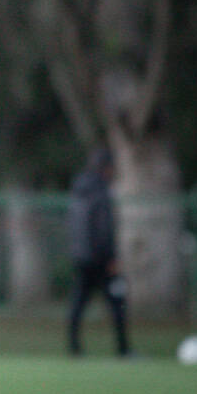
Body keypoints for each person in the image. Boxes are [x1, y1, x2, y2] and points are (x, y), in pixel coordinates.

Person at [66, 147, 130, 357]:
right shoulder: (101, 192)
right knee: (117, 302)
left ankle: (74, 348)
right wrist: (111, 257)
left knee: (78, 302)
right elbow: (103, 228)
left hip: (80, 256)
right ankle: (123, 349)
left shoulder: (78, 190)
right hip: (101, 259)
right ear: (107, 168)